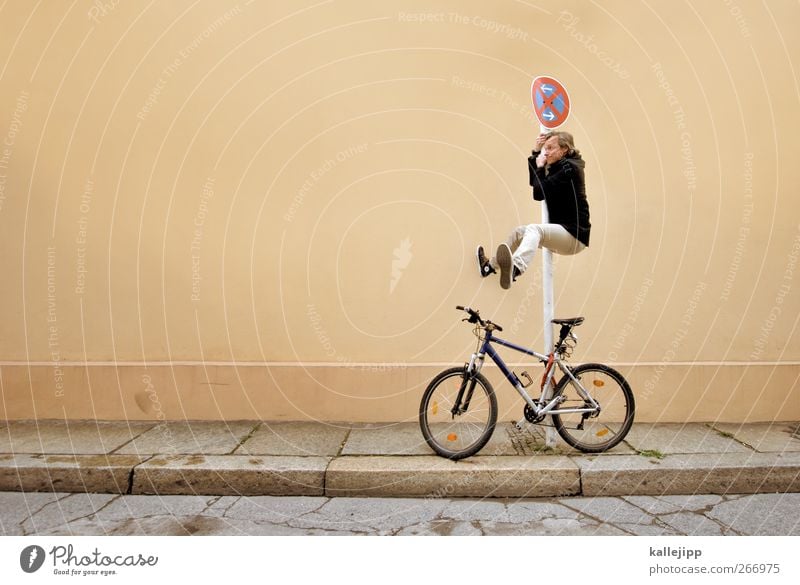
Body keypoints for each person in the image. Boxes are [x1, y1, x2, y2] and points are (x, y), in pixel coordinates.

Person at [477, 131, 591, 289]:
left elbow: (539, 191)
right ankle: (489, 267)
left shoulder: (570, 168)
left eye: (551, 148)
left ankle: (516, 268)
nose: (547, 152)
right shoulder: (558, 167)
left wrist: (539, 165)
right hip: (560, 233)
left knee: (534, 229)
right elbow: (537, 188)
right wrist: (536, 153)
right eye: (545, 148)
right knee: (519, 233)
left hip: (574, 235)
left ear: (565, 149)